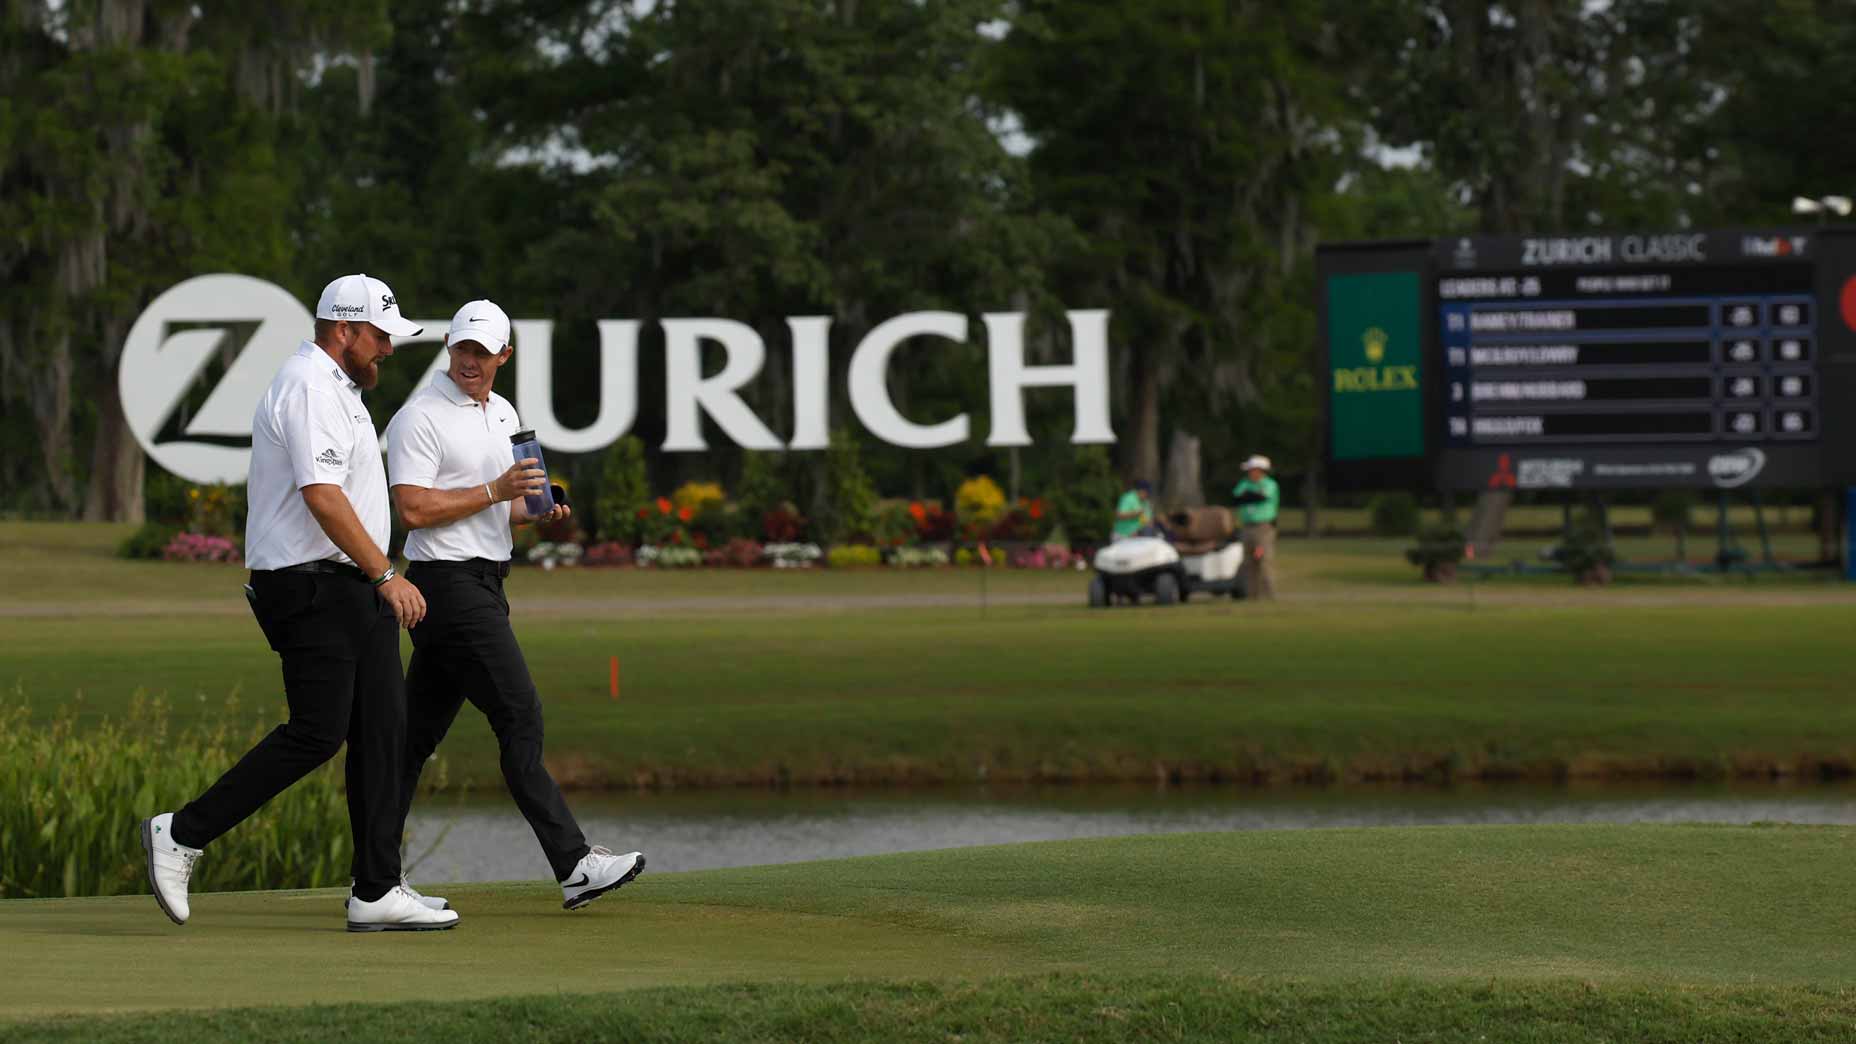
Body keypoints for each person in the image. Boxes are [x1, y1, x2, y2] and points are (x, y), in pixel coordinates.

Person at [141, 274, 458, 932]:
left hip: (345, 583)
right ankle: (181, 832)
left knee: (384, 729)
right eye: (378, 336)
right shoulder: (309, 384)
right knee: (318, 731)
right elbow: (322, 495)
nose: (388, 350)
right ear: (342, 330)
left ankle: (375, 887)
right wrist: (386, 574)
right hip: (312, 583)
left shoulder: (337, 386)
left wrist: (371, 578)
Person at [384, 301, 645, 911]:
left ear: (505, 355)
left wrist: (536, 511)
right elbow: (414, 510)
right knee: (520, 716)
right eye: (462, 348)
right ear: (449, 345)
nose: (470, 361)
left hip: (486, 582)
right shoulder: (418, 416)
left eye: (483, 351)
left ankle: (371, 874)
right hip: (446, 587)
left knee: (409, 741)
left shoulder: (502, 413)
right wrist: (495, 490)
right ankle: (575, 864)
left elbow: (501, 513)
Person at [1232, 454, 1280, 600]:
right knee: (1248, 562)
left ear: (1260, 470)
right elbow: (1237, 497)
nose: (1249, 473)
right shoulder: (1244, 483)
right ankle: (1252, 595)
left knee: (1263, 560)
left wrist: (1248, 496)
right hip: (1247, 527)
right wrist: (1249, 495)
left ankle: (1269, 595)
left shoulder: (1270, 484)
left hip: (1263, 529)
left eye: (1252, 469)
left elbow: (1261, 497)